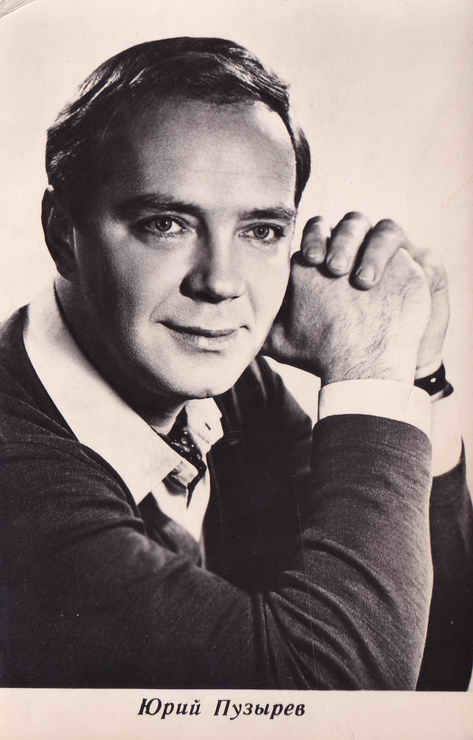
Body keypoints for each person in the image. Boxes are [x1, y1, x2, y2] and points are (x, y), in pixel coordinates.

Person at [0, 36, 471, 690]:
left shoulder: (231, 390)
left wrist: (415, 373)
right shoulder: (16, 476)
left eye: (261, 232)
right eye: (166, 224)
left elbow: (430, 662)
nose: (220, 282)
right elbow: (345, 704)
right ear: (61, 232)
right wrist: (369, 375)